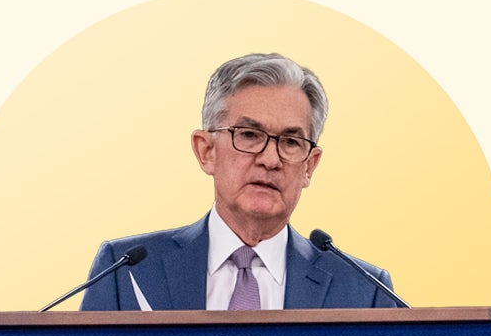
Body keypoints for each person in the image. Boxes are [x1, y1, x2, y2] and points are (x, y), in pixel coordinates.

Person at [80, 53, 396, 311]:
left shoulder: (365, 291)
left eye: (290, 142)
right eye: (249, 135)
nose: (270, 159)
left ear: (309, 166)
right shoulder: (125, 271)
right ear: (206, 151)